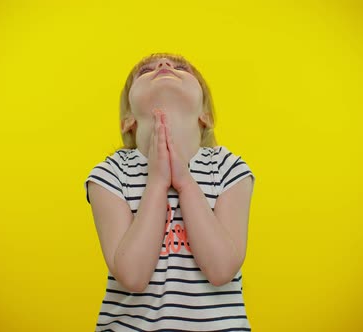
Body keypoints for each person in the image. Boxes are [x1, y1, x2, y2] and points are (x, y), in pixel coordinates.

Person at [84, 53, 255, 331]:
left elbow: (222, 269)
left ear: (206, 116)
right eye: (146, 71)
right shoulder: (110, 174)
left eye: (180, 68)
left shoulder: (229, 168)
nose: (163, 67)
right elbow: (133, 275)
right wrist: (157, 182)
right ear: (127, 120)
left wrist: (185, 182)